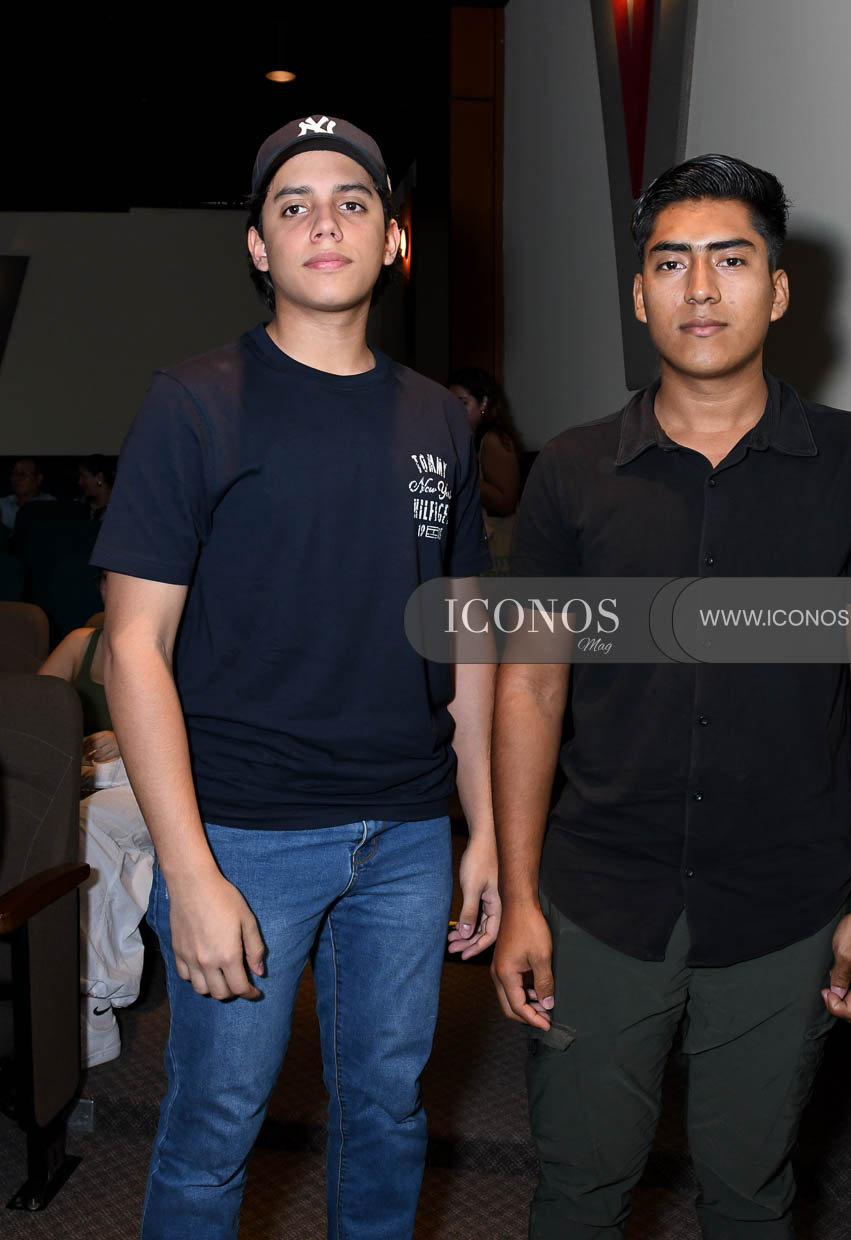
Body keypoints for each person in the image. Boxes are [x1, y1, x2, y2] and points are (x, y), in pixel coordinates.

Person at [490, 154, 851, 1238]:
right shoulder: (572, 471)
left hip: (785, 902)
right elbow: (530, 686)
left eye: (729, 261)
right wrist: (520, 893)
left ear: (776, 290)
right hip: (599, 895)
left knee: (749, 1197)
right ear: (638, 294)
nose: (698, 288)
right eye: (669, 263)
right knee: (577, 1192)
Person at [93, 115, 500, 1239]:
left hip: (408, 836)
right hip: (245, 834)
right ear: (259, 245)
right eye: (295, 205)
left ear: (391, 238)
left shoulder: (439, 418)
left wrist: (486, 829)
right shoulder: (193, 401)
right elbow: (132, 647)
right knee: (215, 1126)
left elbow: (466, 637)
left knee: (388, 1112)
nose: (326, 222)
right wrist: (191, 870)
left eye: (353, 201)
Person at [37, 567, 154, 1069]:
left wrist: (126, 742)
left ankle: (95, 1002)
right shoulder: (81, 643)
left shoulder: (178, 645)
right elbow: (34, 713)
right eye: (111, 578)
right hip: (85, 779)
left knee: (86, 830)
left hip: (152, 787)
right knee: (66, 825)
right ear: (102, 586)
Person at [449, 366, 521, 575]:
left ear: (483, 403)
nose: (455, 410)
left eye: (462, 402)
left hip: (498, 551)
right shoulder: (470, 440)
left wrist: (463, 473)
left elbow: (505, 502)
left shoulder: (493, 440)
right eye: (451, 403)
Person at [1, 456, 56, 530]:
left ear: (38, 479)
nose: (17, 478)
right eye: (14, 474)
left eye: (23, 474)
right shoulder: (3, 504)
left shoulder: (50, 504)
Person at [77, 453, 115, 521]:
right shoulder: (79, 505)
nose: (79, 482)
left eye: (84, 476)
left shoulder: (120, 508)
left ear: (99, 477)